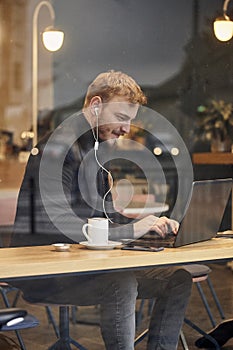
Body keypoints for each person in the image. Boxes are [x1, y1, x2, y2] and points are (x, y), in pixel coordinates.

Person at [11, 70, 192, 350]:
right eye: (121, 118)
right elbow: (59, 225)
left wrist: (150, 225)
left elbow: (105, 218)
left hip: (86, 266)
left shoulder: (95, 150)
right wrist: (132, 230)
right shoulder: (57, 149)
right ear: (95, 106)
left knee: (177, 279)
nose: (126, 130)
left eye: (130, 121)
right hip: (47, 272)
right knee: (121, 283)